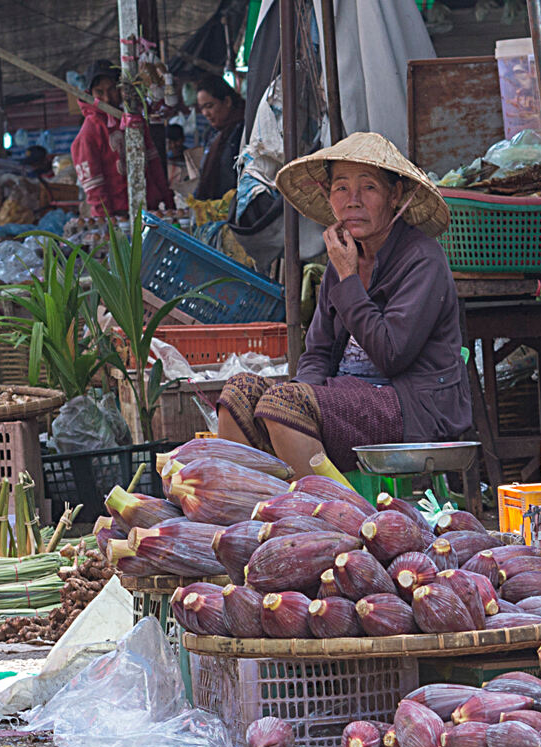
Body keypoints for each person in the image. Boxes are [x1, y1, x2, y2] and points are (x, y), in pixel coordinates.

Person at [217, 132, 471, 477]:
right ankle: (254, 514)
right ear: (328, 194)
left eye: (368, 188)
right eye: (341, 188)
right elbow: (318, 351)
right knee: (239, 394)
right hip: (346, 396)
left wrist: (349, 277)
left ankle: (324, 516)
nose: (353, 201)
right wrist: (303, 392)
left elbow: (392, 353)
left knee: (282, 405)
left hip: (411, 405)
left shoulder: (422, 258)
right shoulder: (344, 255)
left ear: (395, 196)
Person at [71, 59, 172, 217]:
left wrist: (168, 200)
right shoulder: (89, 132)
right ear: (89, 94)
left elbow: (154, 164)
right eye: (99, 92)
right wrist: (108, 225)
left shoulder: (134, 120)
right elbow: (95, 189)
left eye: (112, 89)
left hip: (150, 210)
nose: (107, 98)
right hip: (119, 216)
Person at [194, 75, 245, 200]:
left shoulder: (243, 130)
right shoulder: (213, 134)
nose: (205, 113)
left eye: (209, 106)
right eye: (202, 108)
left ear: (227, 101)